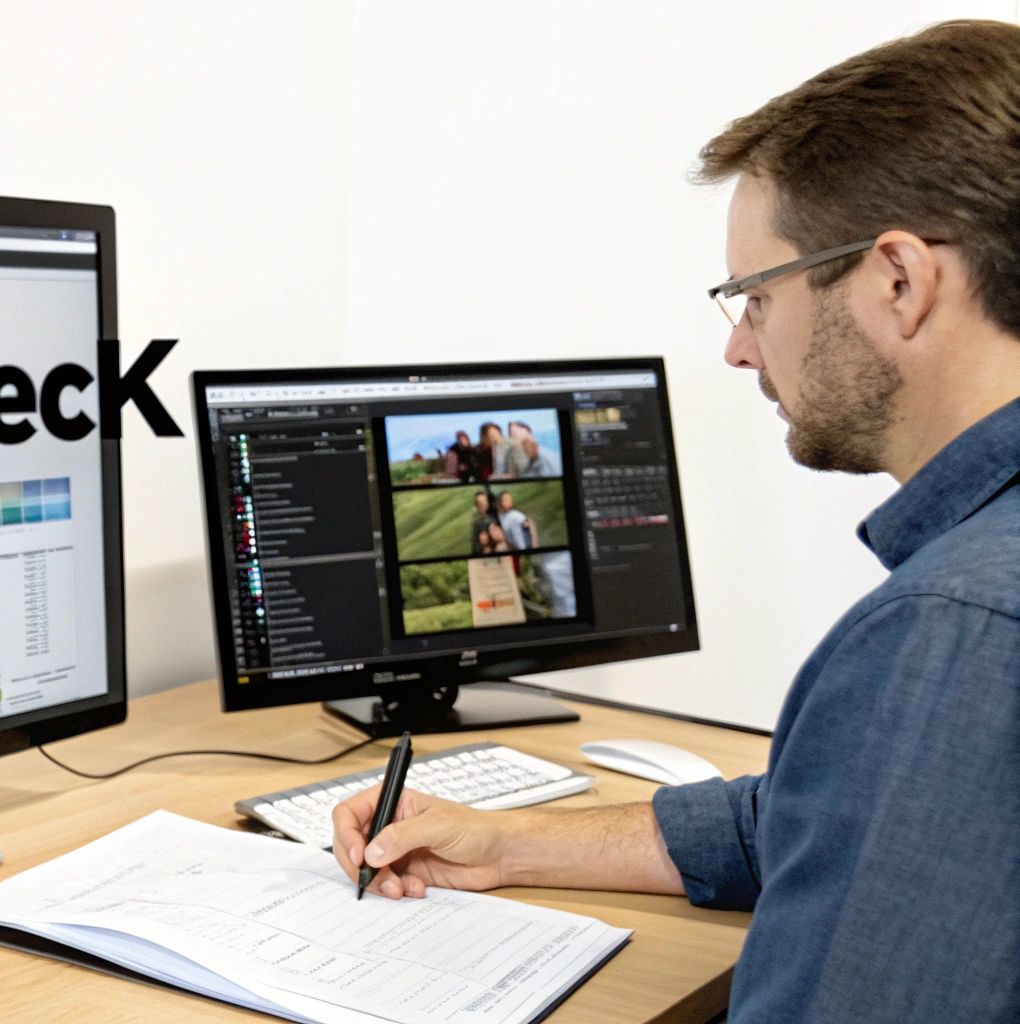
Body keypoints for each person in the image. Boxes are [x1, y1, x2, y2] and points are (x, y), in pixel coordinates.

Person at [335, 21, 1020, 1022]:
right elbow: (830, 820)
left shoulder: (952, 629)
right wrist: (510, 840)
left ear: (898, 281)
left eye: (753, 296)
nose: (740, 349)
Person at [467, 490, 498, 554]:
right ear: (477, 505)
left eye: (485, 501)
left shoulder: (494, 513)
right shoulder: (477, 521)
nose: (484, 504)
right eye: (480, 502)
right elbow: (475, 543)